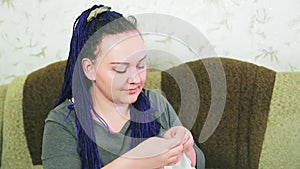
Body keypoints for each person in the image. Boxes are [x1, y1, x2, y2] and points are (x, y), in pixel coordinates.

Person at [42, 4, 205, 169]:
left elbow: (197, 162)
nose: (135, 79)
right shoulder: (62, 122)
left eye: (141, 65)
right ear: (89, 69)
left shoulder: (155, 103)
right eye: (120, 69)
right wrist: (136, 161)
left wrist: (185, 145)